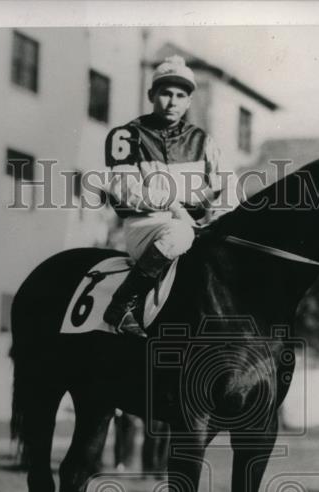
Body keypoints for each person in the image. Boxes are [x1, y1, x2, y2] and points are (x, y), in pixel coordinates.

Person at [102, 55, 230, 337]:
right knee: (179, 233)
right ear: (151, 95)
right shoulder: (127, 135)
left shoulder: (203, 141)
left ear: (188, 101)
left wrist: (219, 220)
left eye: (180, 95)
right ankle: (121, 304)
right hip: (147, 226)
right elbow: (124, 191)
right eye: (165, 93)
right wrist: (174, 205)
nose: (172, 102)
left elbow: (223, 190)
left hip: (196, 228)